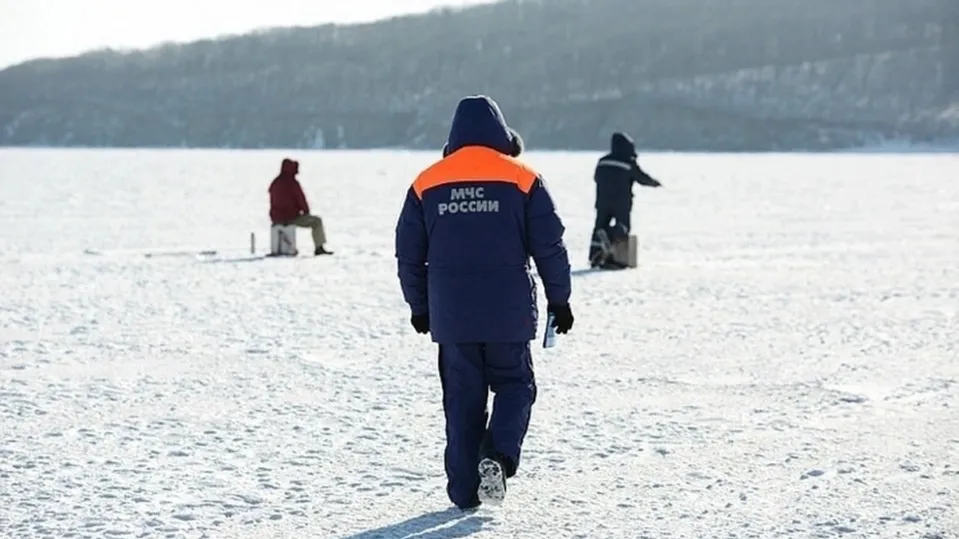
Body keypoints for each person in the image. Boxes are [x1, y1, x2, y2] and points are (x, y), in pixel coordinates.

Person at [394, 95, 574, 510]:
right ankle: (497, 454)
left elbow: (408, 254)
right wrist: (559, 300)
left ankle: (463, 493)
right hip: (507, 312)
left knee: (462, 401)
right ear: (502, 134)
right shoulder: (523, 178)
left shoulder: (426, 182)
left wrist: (419, 307)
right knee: (515, 387)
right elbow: (550, 247)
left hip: (452, 314)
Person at [589, 131, 661, 268]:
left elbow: (596, 178)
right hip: (621, 202)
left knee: (599, 226)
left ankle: (595, 257)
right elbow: (641, 178)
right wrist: (654, 183)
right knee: (623, 227)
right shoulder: (628, 163)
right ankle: (618, 260)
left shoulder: (602, 161)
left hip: (602, 201)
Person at [268, 158, 333, 256]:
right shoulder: (293, 183)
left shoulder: (275, 183)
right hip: (291, 217)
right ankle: (319, 248)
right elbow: (301, 199)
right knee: (316, 221)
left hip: (276, 218)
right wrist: (306, 211)